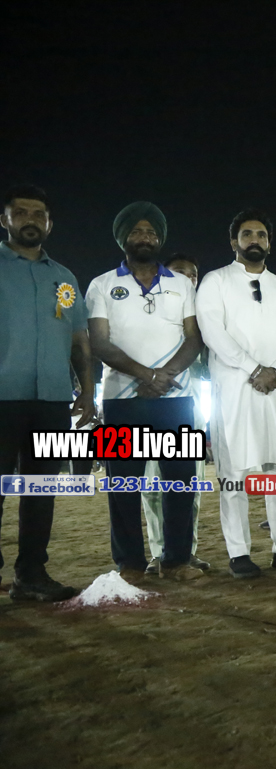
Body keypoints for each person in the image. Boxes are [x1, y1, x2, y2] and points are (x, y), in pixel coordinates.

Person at [196, 208, 276, 578]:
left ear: (269, 243)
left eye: (261, 235)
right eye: (247, 234)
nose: (254, 240)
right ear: (234, 242)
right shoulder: (215, 281)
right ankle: (239, 553)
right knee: (234, 471)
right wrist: (254, 369)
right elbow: (213, 332)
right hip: (236, 389)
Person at [86, 201, 204, 580]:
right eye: (137, 232)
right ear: (123, 238)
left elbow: (194, 338)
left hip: (177, 398)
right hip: (122, 399)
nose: (145, 238)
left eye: (151, 232)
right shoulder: (102, 285)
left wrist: (164, 376)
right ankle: (130, 564)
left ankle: (177, 561)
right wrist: (146, 375)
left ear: (159, 239)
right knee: (123, 485)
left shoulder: (181, 284)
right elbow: (99, 342)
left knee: (180, 482)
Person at [0, 185, 94, 601]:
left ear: (50, 224)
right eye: (21, 212)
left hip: (53, 400)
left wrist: (88, 390)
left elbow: (78, 340)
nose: (30, 219)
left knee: (40, 490)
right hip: (2, 397)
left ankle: (31, 575)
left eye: (39, 214)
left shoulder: (65, 277)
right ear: (5, 220)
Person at [142, 253, 210, 572]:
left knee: (189, 485)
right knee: (152, 485)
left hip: (190, 407)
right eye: (179, 271)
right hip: (150, 402)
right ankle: (158, 552)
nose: (188, 277)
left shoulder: (206, 315)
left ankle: (185, 551)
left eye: (193, 273)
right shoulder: (148, 308)